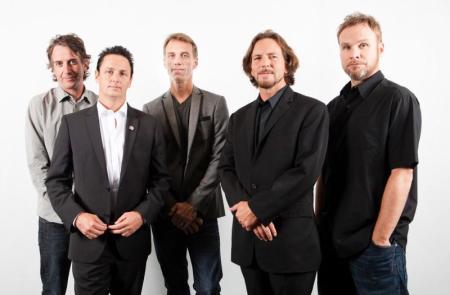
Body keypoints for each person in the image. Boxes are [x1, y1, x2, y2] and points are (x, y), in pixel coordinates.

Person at [45, 45, 170, 295]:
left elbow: (161, 182)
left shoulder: (149, 125)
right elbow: (56, 181)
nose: (115, 78)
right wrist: (77, 217)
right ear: (98, 76)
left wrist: (142, 215)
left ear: (131, 80)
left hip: (132, 241)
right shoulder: (72, 124)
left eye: (123, 73)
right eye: (110, 71)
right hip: (87, 241)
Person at [316, 12, 421, 295]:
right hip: (332, 247)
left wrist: (381, 238)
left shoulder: (398, 99)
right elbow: (323, 176)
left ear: (380, 48)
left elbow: (402, 173)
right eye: (346, 47)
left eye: (363, 45)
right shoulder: (332, 108)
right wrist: (320, 229)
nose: (354, 53)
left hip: (374, 248)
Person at [219, 30, 329, 295]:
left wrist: (257, 209)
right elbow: (226, 169)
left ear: (286, 63)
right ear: (250, 67)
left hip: (291, 243)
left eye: (272, 56)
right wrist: (248, 215)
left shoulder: (313, 111)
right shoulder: (239, 118)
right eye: (257, 58)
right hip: (250, 244)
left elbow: (306, 172)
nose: (264, 62)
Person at [143, 33, 228, 295]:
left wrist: (192, 206)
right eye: (171, 55)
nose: (177, 61)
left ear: (195, 61)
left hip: (203, 213)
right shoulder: (150, 110)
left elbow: (220, 156)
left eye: (184, 55)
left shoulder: (215, 103)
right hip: (166, 214)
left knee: (208, 286)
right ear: (164, 62)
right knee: (175, 286)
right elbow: (150, 166)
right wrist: (174, 208)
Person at [25, 34, 97, 295]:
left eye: (73, 61)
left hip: (94, 217)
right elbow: (38, 166)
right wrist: (70, 212)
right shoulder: (39, 106)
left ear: (86, 63)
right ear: (52, 68)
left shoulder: (102, 105)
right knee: (54, 288)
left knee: (90, 288)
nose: (66, 69)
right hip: (54, 218)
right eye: (59, 63)